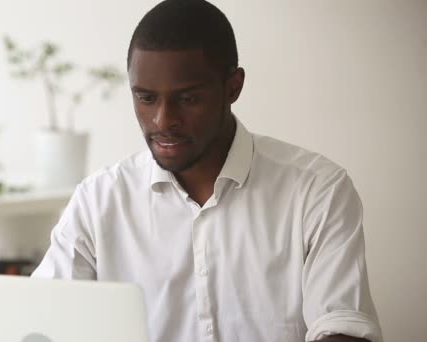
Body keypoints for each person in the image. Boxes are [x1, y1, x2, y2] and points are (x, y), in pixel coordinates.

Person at [32, 0, 382, 341]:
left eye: (187, 98)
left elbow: (343, 328)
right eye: (146, 98)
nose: (163, 120)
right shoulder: (98, 201)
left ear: (233, 87)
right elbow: (39, 321)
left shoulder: (317, 190)